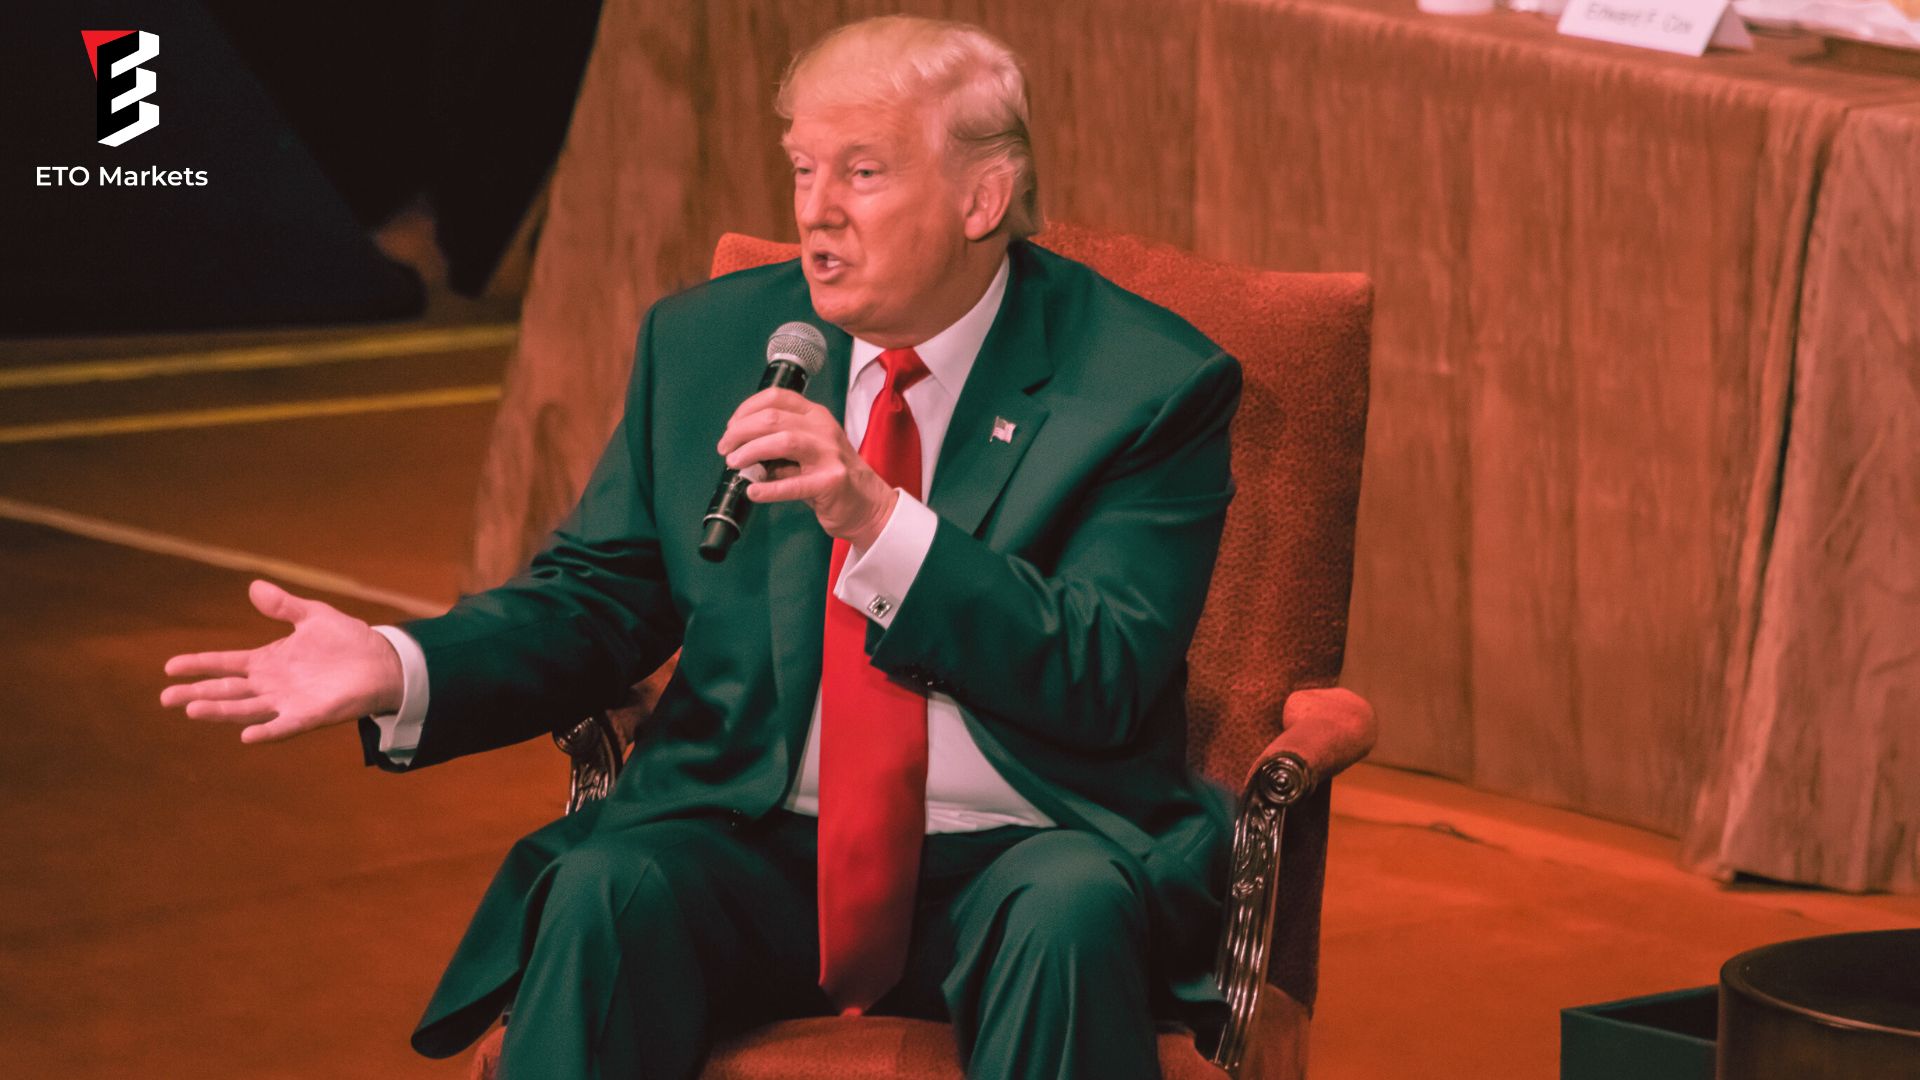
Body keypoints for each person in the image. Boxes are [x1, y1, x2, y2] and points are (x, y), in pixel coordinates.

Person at [161, 16, 1241, 1079]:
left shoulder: (1143, 382)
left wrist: (879, 520)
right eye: (804, 169)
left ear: (981, 198)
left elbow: (1103, 671)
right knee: (610, 886)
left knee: (1068, 912)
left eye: (862, 173)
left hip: (1023, 844)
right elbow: (595, 601)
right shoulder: (713, 341)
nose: (816, 214)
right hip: (758, 830)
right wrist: (404, 662)